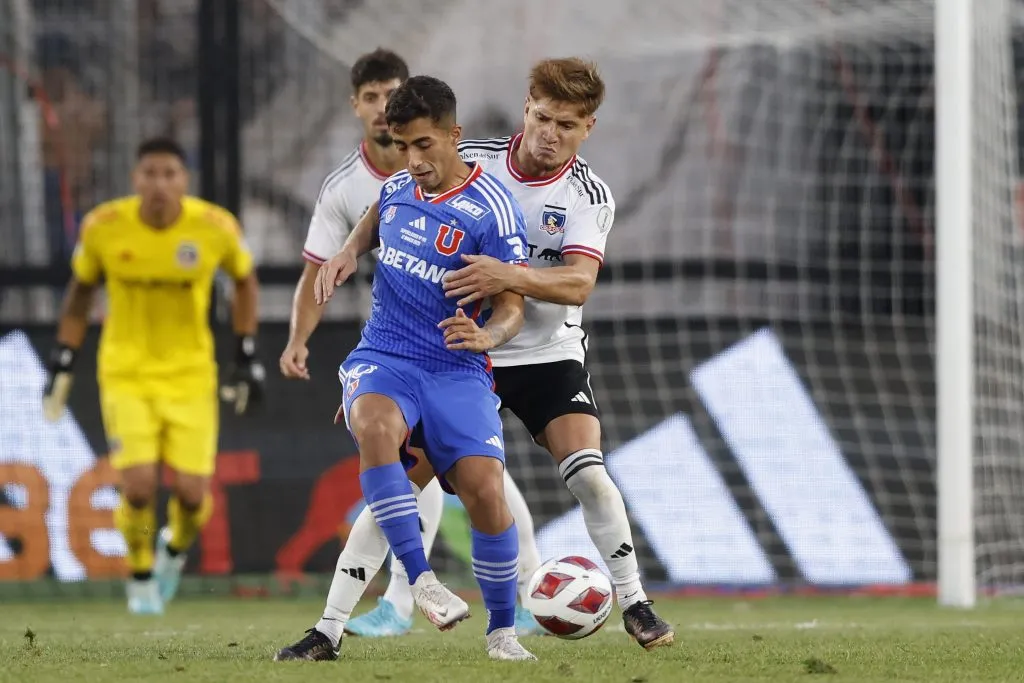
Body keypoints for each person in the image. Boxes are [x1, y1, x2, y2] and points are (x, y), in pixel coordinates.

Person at [294, 57, 675, 652]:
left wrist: (508, 275)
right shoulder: (473, 157)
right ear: (526, 107)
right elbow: (392, 196)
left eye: (568, 126)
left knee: (591, 476)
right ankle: (331, 625)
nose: (551, 135)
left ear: (588, 129)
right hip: (455, 355)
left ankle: (634, 601)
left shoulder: (587, 195)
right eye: (544, 117)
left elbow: (578, 285)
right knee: (396, 482)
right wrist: (348, 246)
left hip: (544, 353)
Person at [278, 48, 542, 638]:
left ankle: (503, 633)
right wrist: (348, 250)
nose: (413, 161)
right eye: (403, 147)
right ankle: (412, 584)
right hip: (386, 356)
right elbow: (379, 210)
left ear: (455, 135)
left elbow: (513, 310)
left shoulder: (491, 212)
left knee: (485, 493)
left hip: (456, 369)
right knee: (374, 430)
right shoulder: (397, 188)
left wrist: (486, 335)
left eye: (425, 145)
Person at [42, 137, 265, 615]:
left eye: (169, 174)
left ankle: (174, 550)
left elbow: (245, 280)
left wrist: (246, 351)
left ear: (184, 181)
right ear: (135, 178)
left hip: (190, 375)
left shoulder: (213, 227)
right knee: (139, 485)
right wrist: (64, 355)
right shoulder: (104, 226)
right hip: (126, 373)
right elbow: (80, 293)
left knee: (190, 494)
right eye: (150, 173)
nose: (159, 184)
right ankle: (141, 573)